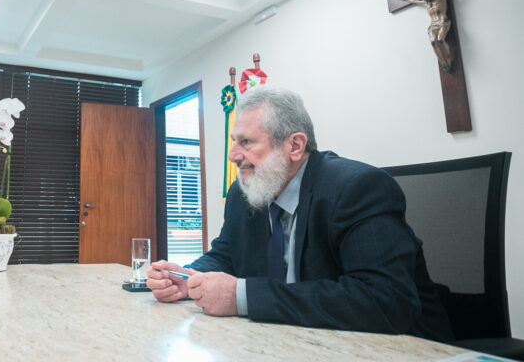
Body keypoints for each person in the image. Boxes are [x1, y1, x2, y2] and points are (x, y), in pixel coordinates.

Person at [148, 86, 452, 342]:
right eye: (234, 142)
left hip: (400, 353)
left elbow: (384, 300)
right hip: (298, 344)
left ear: (294, 145)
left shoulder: (356, 188)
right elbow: (226, 256)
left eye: (247, 143)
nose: (233, 155)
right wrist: (188, 277)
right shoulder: (244, 195)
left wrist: (242, 297)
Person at [398, 0, 481, 71]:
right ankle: (443, 63)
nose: (424, 0)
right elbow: (413, 0)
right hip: (433, 25)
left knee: (440, 40)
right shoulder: (425, 2)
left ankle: (448, 59)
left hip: (443, 22)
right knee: (433, 42)